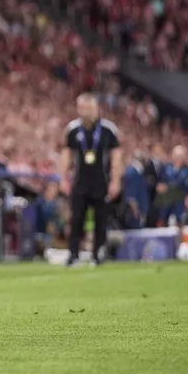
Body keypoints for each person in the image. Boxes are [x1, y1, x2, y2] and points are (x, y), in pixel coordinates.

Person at [62, 93, 122, 266]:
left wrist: (115, 180)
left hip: (101, 181)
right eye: (82, 108)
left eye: (89, 108)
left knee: (100, 219)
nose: (85, 112)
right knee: (77, 218)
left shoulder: (108, 130)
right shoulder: (73, 129)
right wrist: (64, 179)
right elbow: (67, 155)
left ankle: (98, 253)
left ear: (96, 108)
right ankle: (73, 254)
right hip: (80, 181)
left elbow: (116, 156)